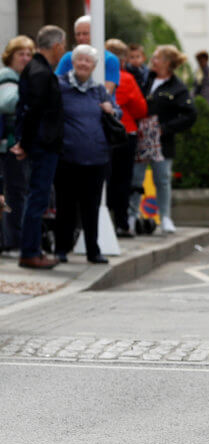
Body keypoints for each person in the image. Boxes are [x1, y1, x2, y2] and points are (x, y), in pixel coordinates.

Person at [54, 44, 118, 265]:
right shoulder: (60, 86)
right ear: (73, 62)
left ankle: (93, 250)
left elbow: (115, 112)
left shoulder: (99, 90)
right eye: (79, 60)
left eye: (87, 61)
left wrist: (111, 110)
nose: (83, 64)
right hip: (67, 157)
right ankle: (61, 249)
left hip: (96, 159)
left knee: (91, 208)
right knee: (65, 206)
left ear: (93, 66)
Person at [11, 25, 67, 269]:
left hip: (40, 143)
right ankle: (30, 251)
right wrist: (25, 142)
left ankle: (32, 249)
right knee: (37, 198)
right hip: (43, 145)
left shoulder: (35, 69)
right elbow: (32, 112)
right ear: (56, 46)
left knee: (37, 197)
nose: (63, 51)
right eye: (63, 46)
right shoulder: (40, 73)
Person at [128, 45, 196, 234]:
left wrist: (166, 129)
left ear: (167, 63)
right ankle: (131, 216)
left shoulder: (178, 87)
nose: (153, 60)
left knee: (162, 179)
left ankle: (165, 216)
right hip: (141, 136)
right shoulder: (144, 79)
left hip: (162, 140)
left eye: (157, 57)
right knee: (135, 177)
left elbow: (190, 115)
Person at [105, 39, 147, 238]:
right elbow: (141, 109)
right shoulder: (127, 79)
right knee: (122, 180)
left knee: (105, 179)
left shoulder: (96, 76)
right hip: (124, 133)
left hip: (101, 135)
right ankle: (121, 223)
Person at [0, 35, 35, 257]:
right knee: (14, 194)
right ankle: (12, 241)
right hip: (9, 147)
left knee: (15, 192)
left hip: (13, 145)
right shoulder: (8, 77)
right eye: (20, 53)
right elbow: (7, 102)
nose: (25, 58)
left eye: (29, 54)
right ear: (10, 57)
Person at [54, 16, 120, 95]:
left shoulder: (110, 59)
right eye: (78, 34)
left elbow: (107, 93)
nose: (81, 37)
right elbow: (55, 85)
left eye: (85, 34)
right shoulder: (68, 57)